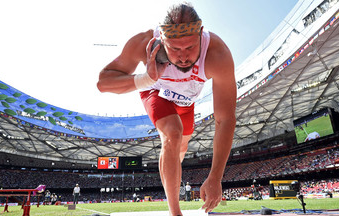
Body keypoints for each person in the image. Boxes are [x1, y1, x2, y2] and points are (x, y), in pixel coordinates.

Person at [97, 3, 236, 215]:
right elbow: (103, 83)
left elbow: (224, 119)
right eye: (174, 49)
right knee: (172, 133)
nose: (183, 57)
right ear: (162, 41)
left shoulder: (217, 54)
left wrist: (215, 177)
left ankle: (170, 165)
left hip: (186, 102)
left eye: (190, 47)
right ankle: (175, 212)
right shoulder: (144, 43)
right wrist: (146, 78)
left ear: (200, 34)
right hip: (155, 91)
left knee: (180, 147)